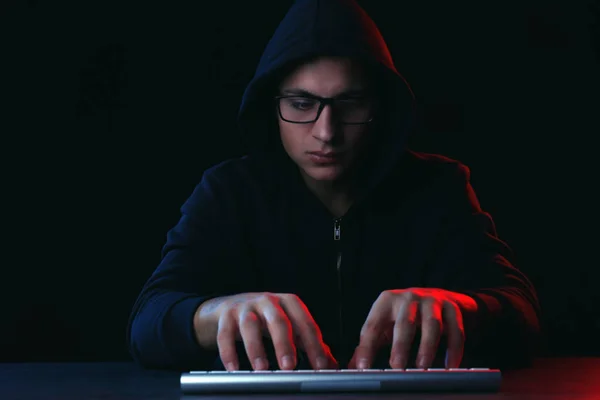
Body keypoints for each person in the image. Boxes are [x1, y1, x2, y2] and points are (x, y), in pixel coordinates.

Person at [126, 0, 541, 372]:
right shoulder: (228, 192)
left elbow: (522, 316)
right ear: (272, 108)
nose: (326, 132)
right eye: (302, 104)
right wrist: (212, 315)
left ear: (379, 107)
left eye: (349, 104)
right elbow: (147, 324)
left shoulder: (440, 188)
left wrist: (462, 310)